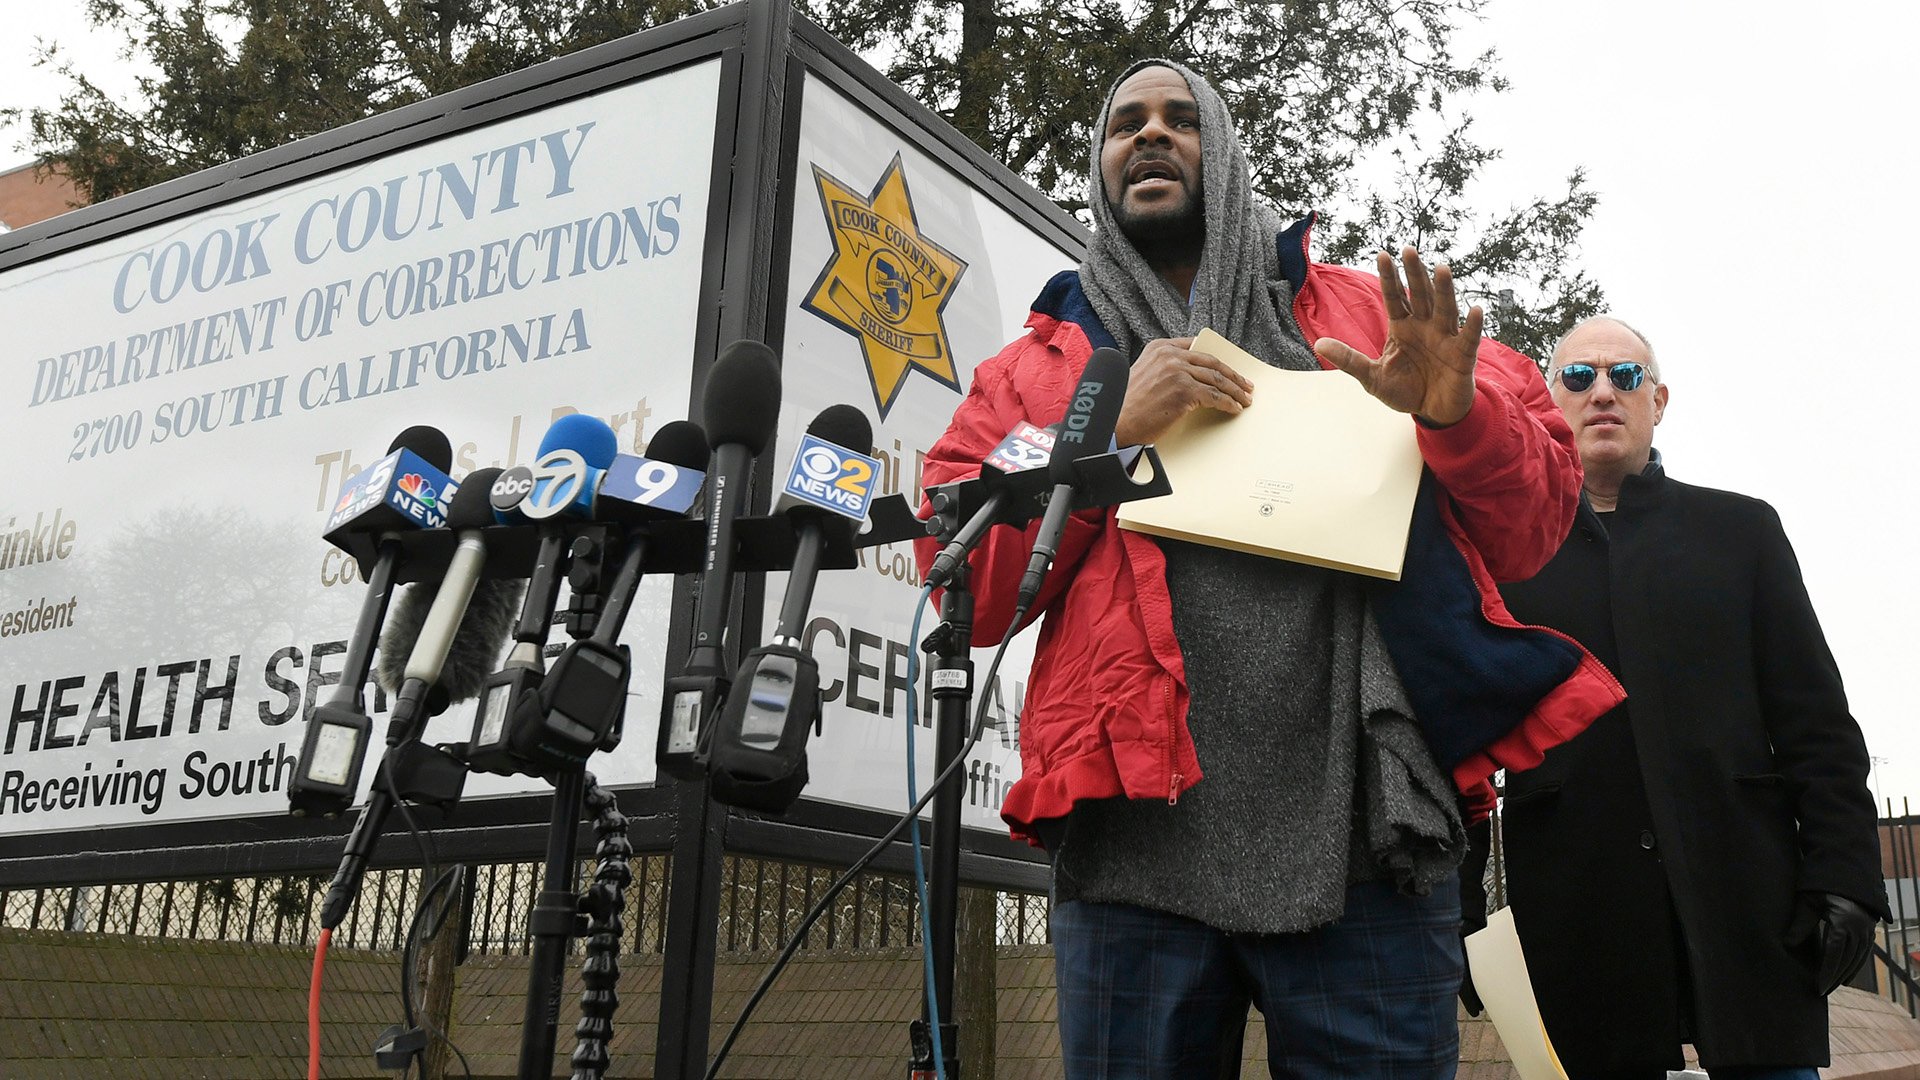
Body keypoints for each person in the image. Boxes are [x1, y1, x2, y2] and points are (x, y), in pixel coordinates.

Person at [916, 59, 1620, 1078]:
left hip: (1365, 846)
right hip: (1130, 853)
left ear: (1227, 151)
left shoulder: (1370, 315)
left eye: (1179, 119)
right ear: (1099, 165)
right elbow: (954, 563)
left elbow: (1539, 521)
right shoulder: (1042, 367)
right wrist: (1108, 433)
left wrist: (1457, 416)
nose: (1150, 135)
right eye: (1125, 124)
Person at [1485, 316, 1887, 1079]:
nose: (1602, 391)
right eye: (1578, 377)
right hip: (1580, 913)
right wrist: (1456, 915)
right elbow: (1465, 743)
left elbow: (1817, 724)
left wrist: (1846, 875)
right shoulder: (1506, 556)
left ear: (1658, 399)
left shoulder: (1741, 533)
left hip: (1747, 903)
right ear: (1547, 400)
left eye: (1625, 376)